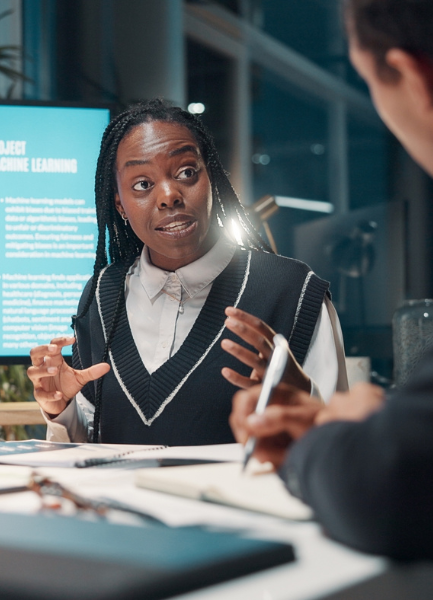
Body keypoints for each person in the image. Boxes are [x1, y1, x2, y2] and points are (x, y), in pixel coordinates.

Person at [229, 0, 433, 560]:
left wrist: (315, 445)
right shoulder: (105, 297)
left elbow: (388, 490)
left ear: (414, 79)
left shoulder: (294, 289)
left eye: (368, 83)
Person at [27, 100, 348, 445]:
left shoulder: (291, 291)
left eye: (186, 173)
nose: (169, 196)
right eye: (142, 185)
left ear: (209, 177)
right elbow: (88, 444)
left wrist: (306, 400)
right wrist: (62, 409)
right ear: (119, 203)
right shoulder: (102, 296)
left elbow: (344, 448)